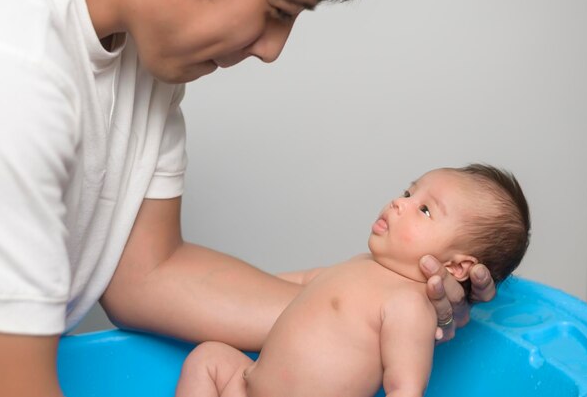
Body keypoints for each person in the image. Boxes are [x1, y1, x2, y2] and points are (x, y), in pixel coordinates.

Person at [0, 0, 496, 395]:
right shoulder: (6, 68)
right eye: (279, 9)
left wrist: (372, 305)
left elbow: (147, 274)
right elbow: (0, 385)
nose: (272, 50)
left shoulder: (149, 68)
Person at [175, 163, 530, 397]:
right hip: (247, 384)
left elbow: (405, 386)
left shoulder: (408, 305)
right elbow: (303, 281)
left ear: (456, 268)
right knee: (209, 358)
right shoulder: (360, 264)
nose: (397, 203)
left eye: (425, 210)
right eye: (408, 193)